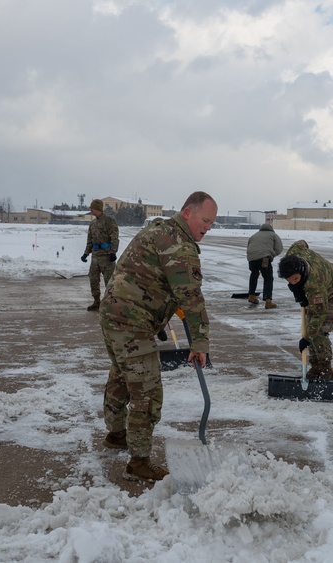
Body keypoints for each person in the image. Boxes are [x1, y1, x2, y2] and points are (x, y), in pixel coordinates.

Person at [99, 191, 217, 482]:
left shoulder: (159, 228)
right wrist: (200, 343)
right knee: (148, 392)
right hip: (132, 321)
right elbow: (191, 298)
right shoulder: (180, 247)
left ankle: (116, 434)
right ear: (187, 212)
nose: (208, 227)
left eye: (212, 223)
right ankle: (139, 461)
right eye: (205, 220)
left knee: (122, 377)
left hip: (113, 313)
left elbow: (150, 275)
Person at [277, 241, 333, 380]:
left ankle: (325, 369)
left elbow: (319, 315)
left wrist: (306, 338)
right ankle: (315, 367)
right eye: (289, 281)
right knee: (311, 326)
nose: (293, 283)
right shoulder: (293, 255)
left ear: (301, 271)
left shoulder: (315, 285)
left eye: (296, 279)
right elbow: (301, 243)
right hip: (320, 285)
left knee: (319, 330)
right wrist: (298, 290)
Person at [81, 199, 119, 312]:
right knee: (93, 279)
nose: (90, 210)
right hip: (95, 256)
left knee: (109, 281)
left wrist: (113, 252)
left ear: (97, 208)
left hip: (107, 256)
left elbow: (114, 238)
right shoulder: (92, 224)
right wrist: (86, 253)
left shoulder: (109, 221)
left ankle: (111, 304)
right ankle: (96, 302)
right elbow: (90, 240)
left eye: (92, 208)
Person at [245, 223, 283, 308]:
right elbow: (279, 248)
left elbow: (249, 247)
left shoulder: (254, 235)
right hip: (264, 259)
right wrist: (272, 255)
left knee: (254, 274)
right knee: (268, 278)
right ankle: (268, 301)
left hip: (251, 258)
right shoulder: (273, 235)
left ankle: (251, 296)